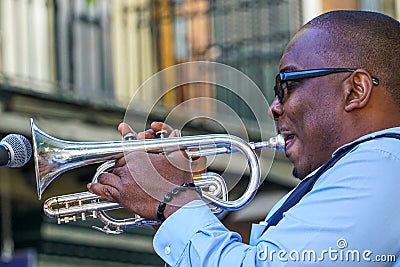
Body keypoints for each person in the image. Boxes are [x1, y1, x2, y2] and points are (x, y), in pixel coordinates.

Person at [88, 10, 400, 266]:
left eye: (285, 85)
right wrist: (174, 203)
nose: (274, 107)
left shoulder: (382, 165)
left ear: (355, 90)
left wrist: (172, 200)